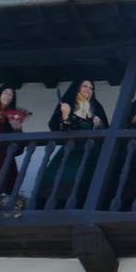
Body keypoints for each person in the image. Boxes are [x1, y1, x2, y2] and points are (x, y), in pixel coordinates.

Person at [37, 78, 109, 208]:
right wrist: (65, 116)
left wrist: (100, 124)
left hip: (92, 153)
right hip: (71, 152)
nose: (88, 89)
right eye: (84, 86)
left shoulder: (96, 107)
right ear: (77, 88)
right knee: (61, 178)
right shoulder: (68, 105)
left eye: (91, 88)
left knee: (88, 181)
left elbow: (107, 132)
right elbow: (57, 128)